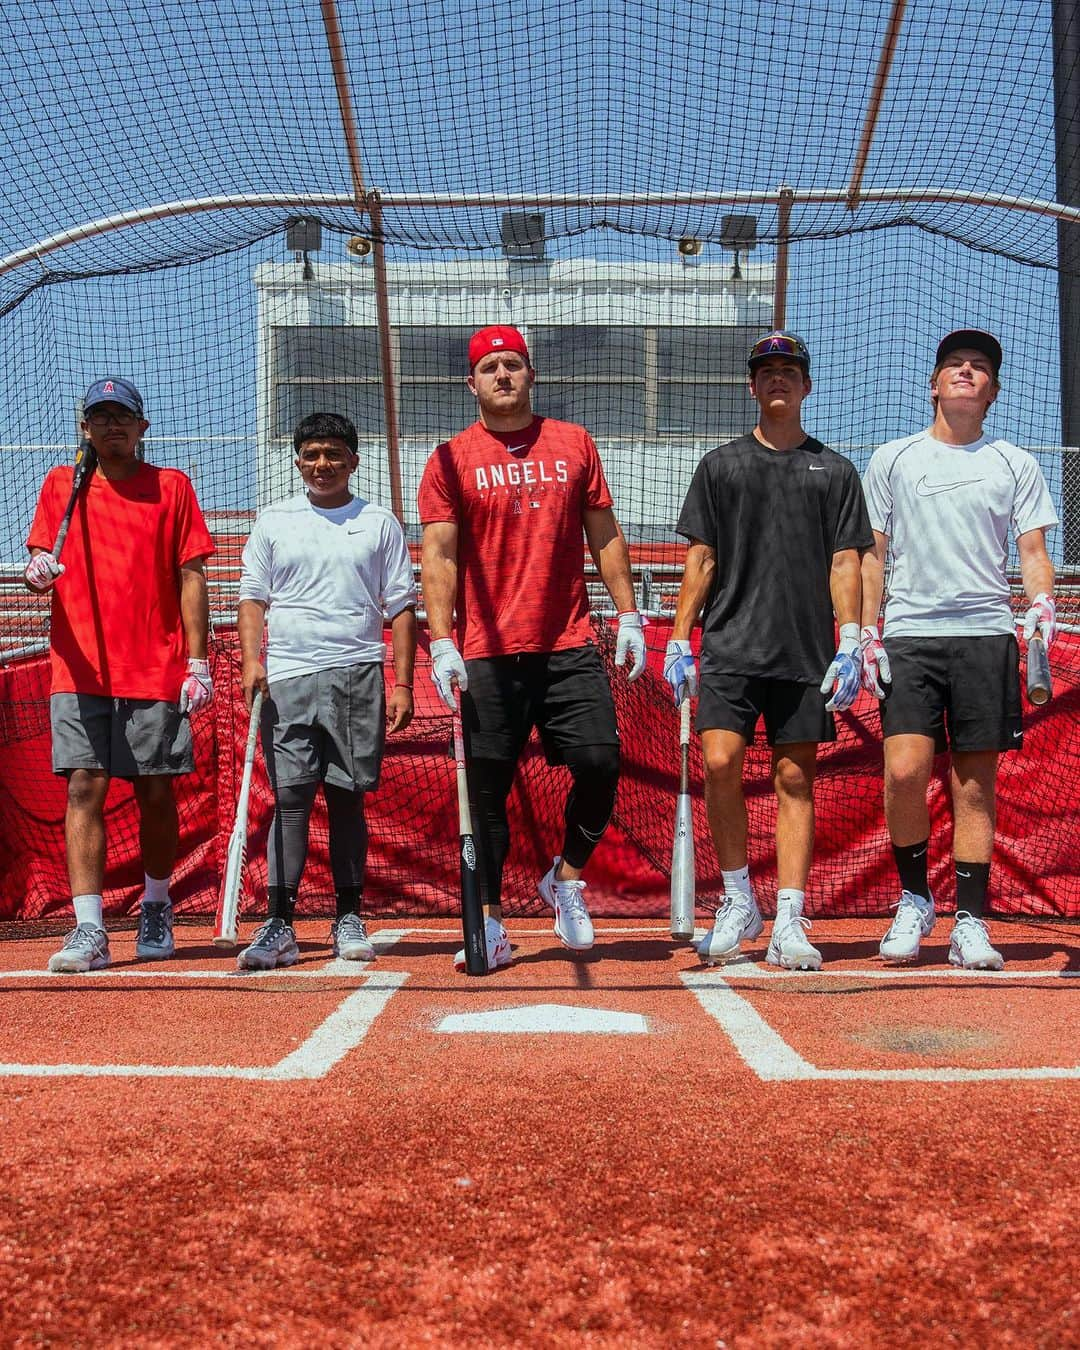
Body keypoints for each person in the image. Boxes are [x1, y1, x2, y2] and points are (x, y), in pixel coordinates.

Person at [418, 324, 646, 972]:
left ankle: (565, 878)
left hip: (567, 641)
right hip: (486, 650)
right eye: (490, 367)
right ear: (471, 382)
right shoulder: (448, 459)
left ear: (531, 374)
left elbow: (604, 535)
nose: (503, 376)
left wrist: (628, 616)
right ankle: (489, 922)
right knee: (486, 793)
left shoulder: (573, 444)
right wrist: (440, 642)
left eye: (513, 364)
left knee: (600, 761)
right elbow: (437, 555)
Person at [665, 331, 873, 970]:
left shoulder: (834, 470)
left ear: (806, 385)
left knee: (793, 779)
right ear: (752, 387)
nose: (777, 379)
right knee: (721, 763)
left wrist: (851, 639)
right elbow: (701, 558)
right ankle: (736, 899)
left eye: (789, 371)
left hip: (806, 651)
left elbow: (847, 562)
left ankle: (788, 917)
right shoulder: (721, 466)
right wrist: (678, 637)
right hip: (729, 645)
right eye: (766, 372)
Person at [860, 330, 1059, 970]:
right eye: (954, 365)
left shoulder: (1016, 463)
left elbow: (1033, 555)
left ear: (993, 391)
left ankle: (970, 920)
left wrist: (1042, 606)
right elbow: (874, 555)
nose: (966, 373)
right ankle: (915, 900)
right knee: (903, 772)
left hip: (986, 636)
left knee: (975, 786)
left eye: (978, 368)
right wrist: (863, 630)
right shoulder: (893, 458)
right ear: (934, 383)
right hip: (910, 634)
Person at [25, 377, 215, 972]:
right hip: (78, 666)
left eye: (122, 417)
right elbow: (39, 563)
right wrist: (37, 571)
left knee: (156, 790)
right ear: (86, 428)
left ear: (142, 428)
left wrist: (198, 660)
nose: (112, 426)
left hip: (154, 666)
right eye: (100, 417)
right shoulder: (61, 484)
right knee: (84, 787)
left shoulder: (172, 486)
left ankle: (156, 905)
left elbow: (192, 576)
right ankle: (89, 928)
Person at [235, 412, 416, 970]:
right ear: (297, 461)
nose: (322, 465)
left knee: (346, 799)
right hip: (288, 677)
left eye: (333, 454)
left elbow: (402, 606)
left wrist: (403, 682)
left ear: (353, 462)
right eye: (311, 454)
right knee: (290, 798)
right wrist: (250, 661)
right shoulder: (274, 521)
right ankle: (280, 924)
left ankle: (348, 914)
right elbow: (252, 597)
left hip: (356, 672)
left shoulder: (379, 522)